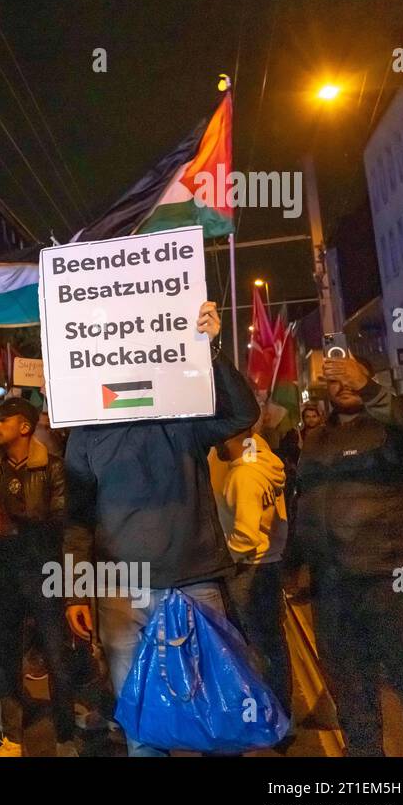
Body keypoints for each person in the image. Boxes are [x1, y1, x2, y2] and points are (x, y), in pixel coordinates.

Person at [63, 301, 260, 756]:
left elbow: (239, 415)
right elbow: (77, 521)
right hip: (120, 592)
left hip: (193, 584)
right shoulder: (85, 434)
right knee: (142, 725)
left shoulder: (180, 414)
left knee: (216, 711)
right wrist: (76, 591)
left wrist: (213, 350)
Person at [294, 354, 403, 755]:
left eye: (352, 379)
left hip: (394, 585)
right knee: (354, 704)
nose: (343, 386)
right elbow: (307, 502)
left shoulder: (390, 429)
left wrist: (367, 387)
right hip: (335, 592)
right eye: (335, 381)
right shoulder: (315, 439)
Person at [0, 398, 77, 756]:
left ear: (25, 427)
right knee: (6, 658)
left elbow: (61, 521)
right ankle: (12, 736)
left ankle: (64, 735)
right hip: (2, 574)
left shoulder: (53, 468)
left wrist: (17, 525)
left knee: (57, 658)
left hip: (44, 574)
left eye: (3, 419)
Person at [209, 426, 292, 718]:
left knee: (255, 646)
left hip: (248, 571)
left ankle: (268, 715)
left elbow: (246, 534)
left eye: (219, 436)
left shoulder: (243, 475)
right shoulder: (263, 464)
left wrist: (224, 558)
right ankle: (281, 711)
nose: (215, 443)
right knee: (272, 643)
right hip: (269, 563)